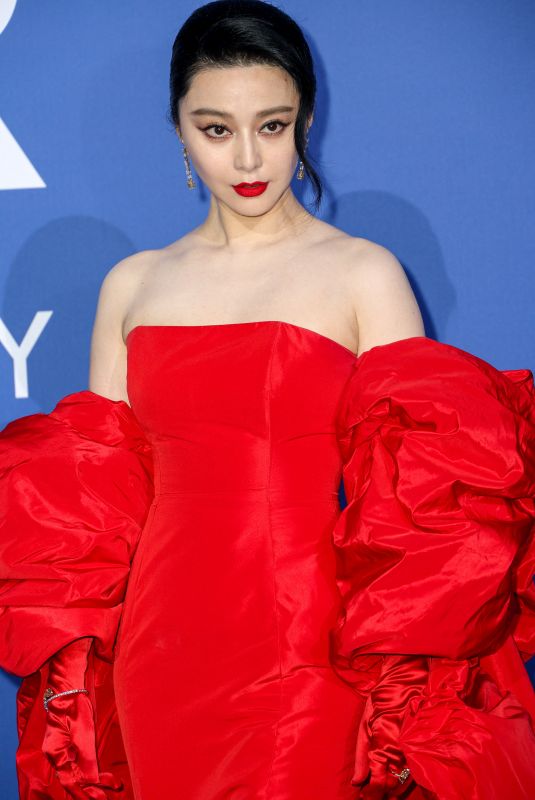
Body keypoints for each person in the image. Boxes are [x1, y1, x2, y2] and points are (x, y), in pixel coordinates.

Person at [1, 2, 534, 799]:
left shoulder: (363, 273)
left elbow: (418, 500)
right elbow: (97, 505)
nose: (248, 157)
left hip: (305, 636)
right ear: (178, 129)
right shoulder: (133, 284)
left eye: (272, 125)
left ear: (305, 121)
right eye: (216, 129)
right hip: (162, 640)